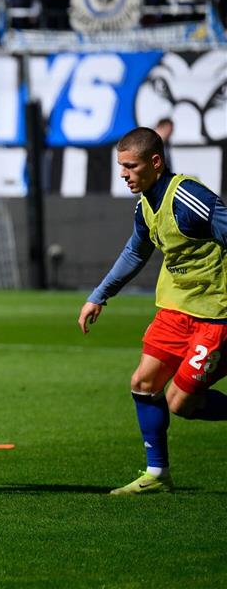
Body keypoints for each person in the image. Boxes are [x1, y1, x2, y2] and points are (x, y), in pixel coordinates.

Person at [78, 126, 227, 495]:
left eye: (130, 166)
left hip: (216, 315)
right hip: (175, 312)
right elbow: (135, 252)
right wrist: (99, 295)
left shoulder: (189, 198)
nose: (123, 174)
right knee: (143, 384)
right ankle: (157, 474)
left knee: (180, 402)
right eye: (121, 166)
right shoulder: (145, 203)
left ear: (155, 162)